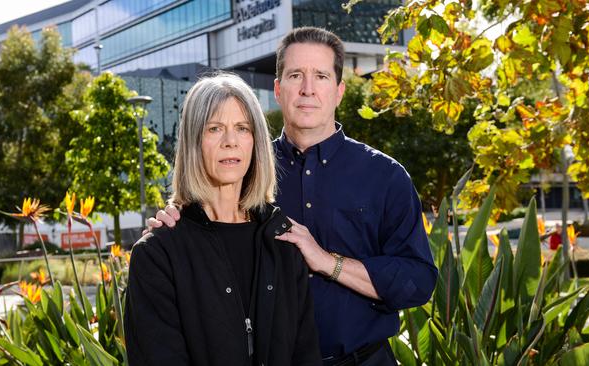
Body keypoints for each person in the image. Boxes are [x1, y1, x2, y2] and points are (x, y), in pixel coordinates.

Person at [148, 27, 438, 365]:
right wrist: (169, 223)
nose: (308, 89)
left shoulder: (385, 177)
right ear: (277, 89)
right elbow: (203, 229)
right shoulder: (245, 171)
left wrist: (327, 261)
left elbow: (418, 281)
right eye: (296, 75)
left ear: (340, 90)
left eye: (321, 76)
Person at [125, 73, 321, 366]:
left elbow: (306, 355)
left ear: (255, 142)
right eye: (214, 128)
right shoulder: (158, 253)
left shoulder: (282, 241)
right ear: (194, 141)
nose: (231, 142)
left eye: (242, 128)